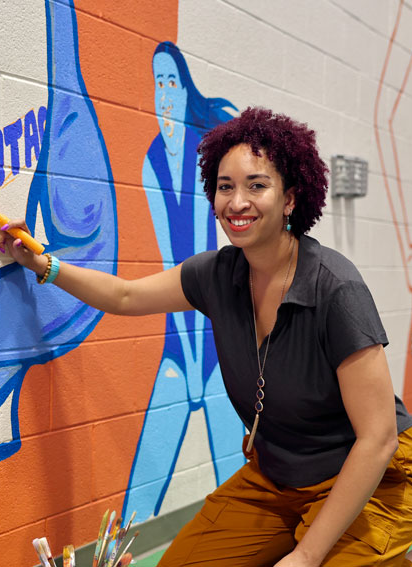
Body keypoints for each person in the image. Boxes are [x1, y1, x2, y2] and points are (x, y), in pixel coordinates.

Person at [0, 107, 412, 567]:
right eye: (225, 187)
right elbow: (122, 296)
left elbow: (378, 439)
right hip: (278, 477)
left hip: (372, 478)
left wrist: (305, 555)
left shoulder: (336, 289)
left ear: (290, 198)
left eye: (256, 185)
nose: (236, 202)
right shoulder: (215, 275)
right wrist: (44, 265)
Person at [124, 40, 241, 522]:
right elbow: (172, 269)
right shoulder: (152, 160)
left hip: (216, 347)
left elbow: (201, 254)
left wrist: (201, 364)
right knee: (137, 499)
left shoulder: (204, 156)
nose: (165, 93)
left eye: (173, 81)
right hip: (180, 343)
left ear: (185, 88)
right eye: (159, 83)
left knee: (242, 485)